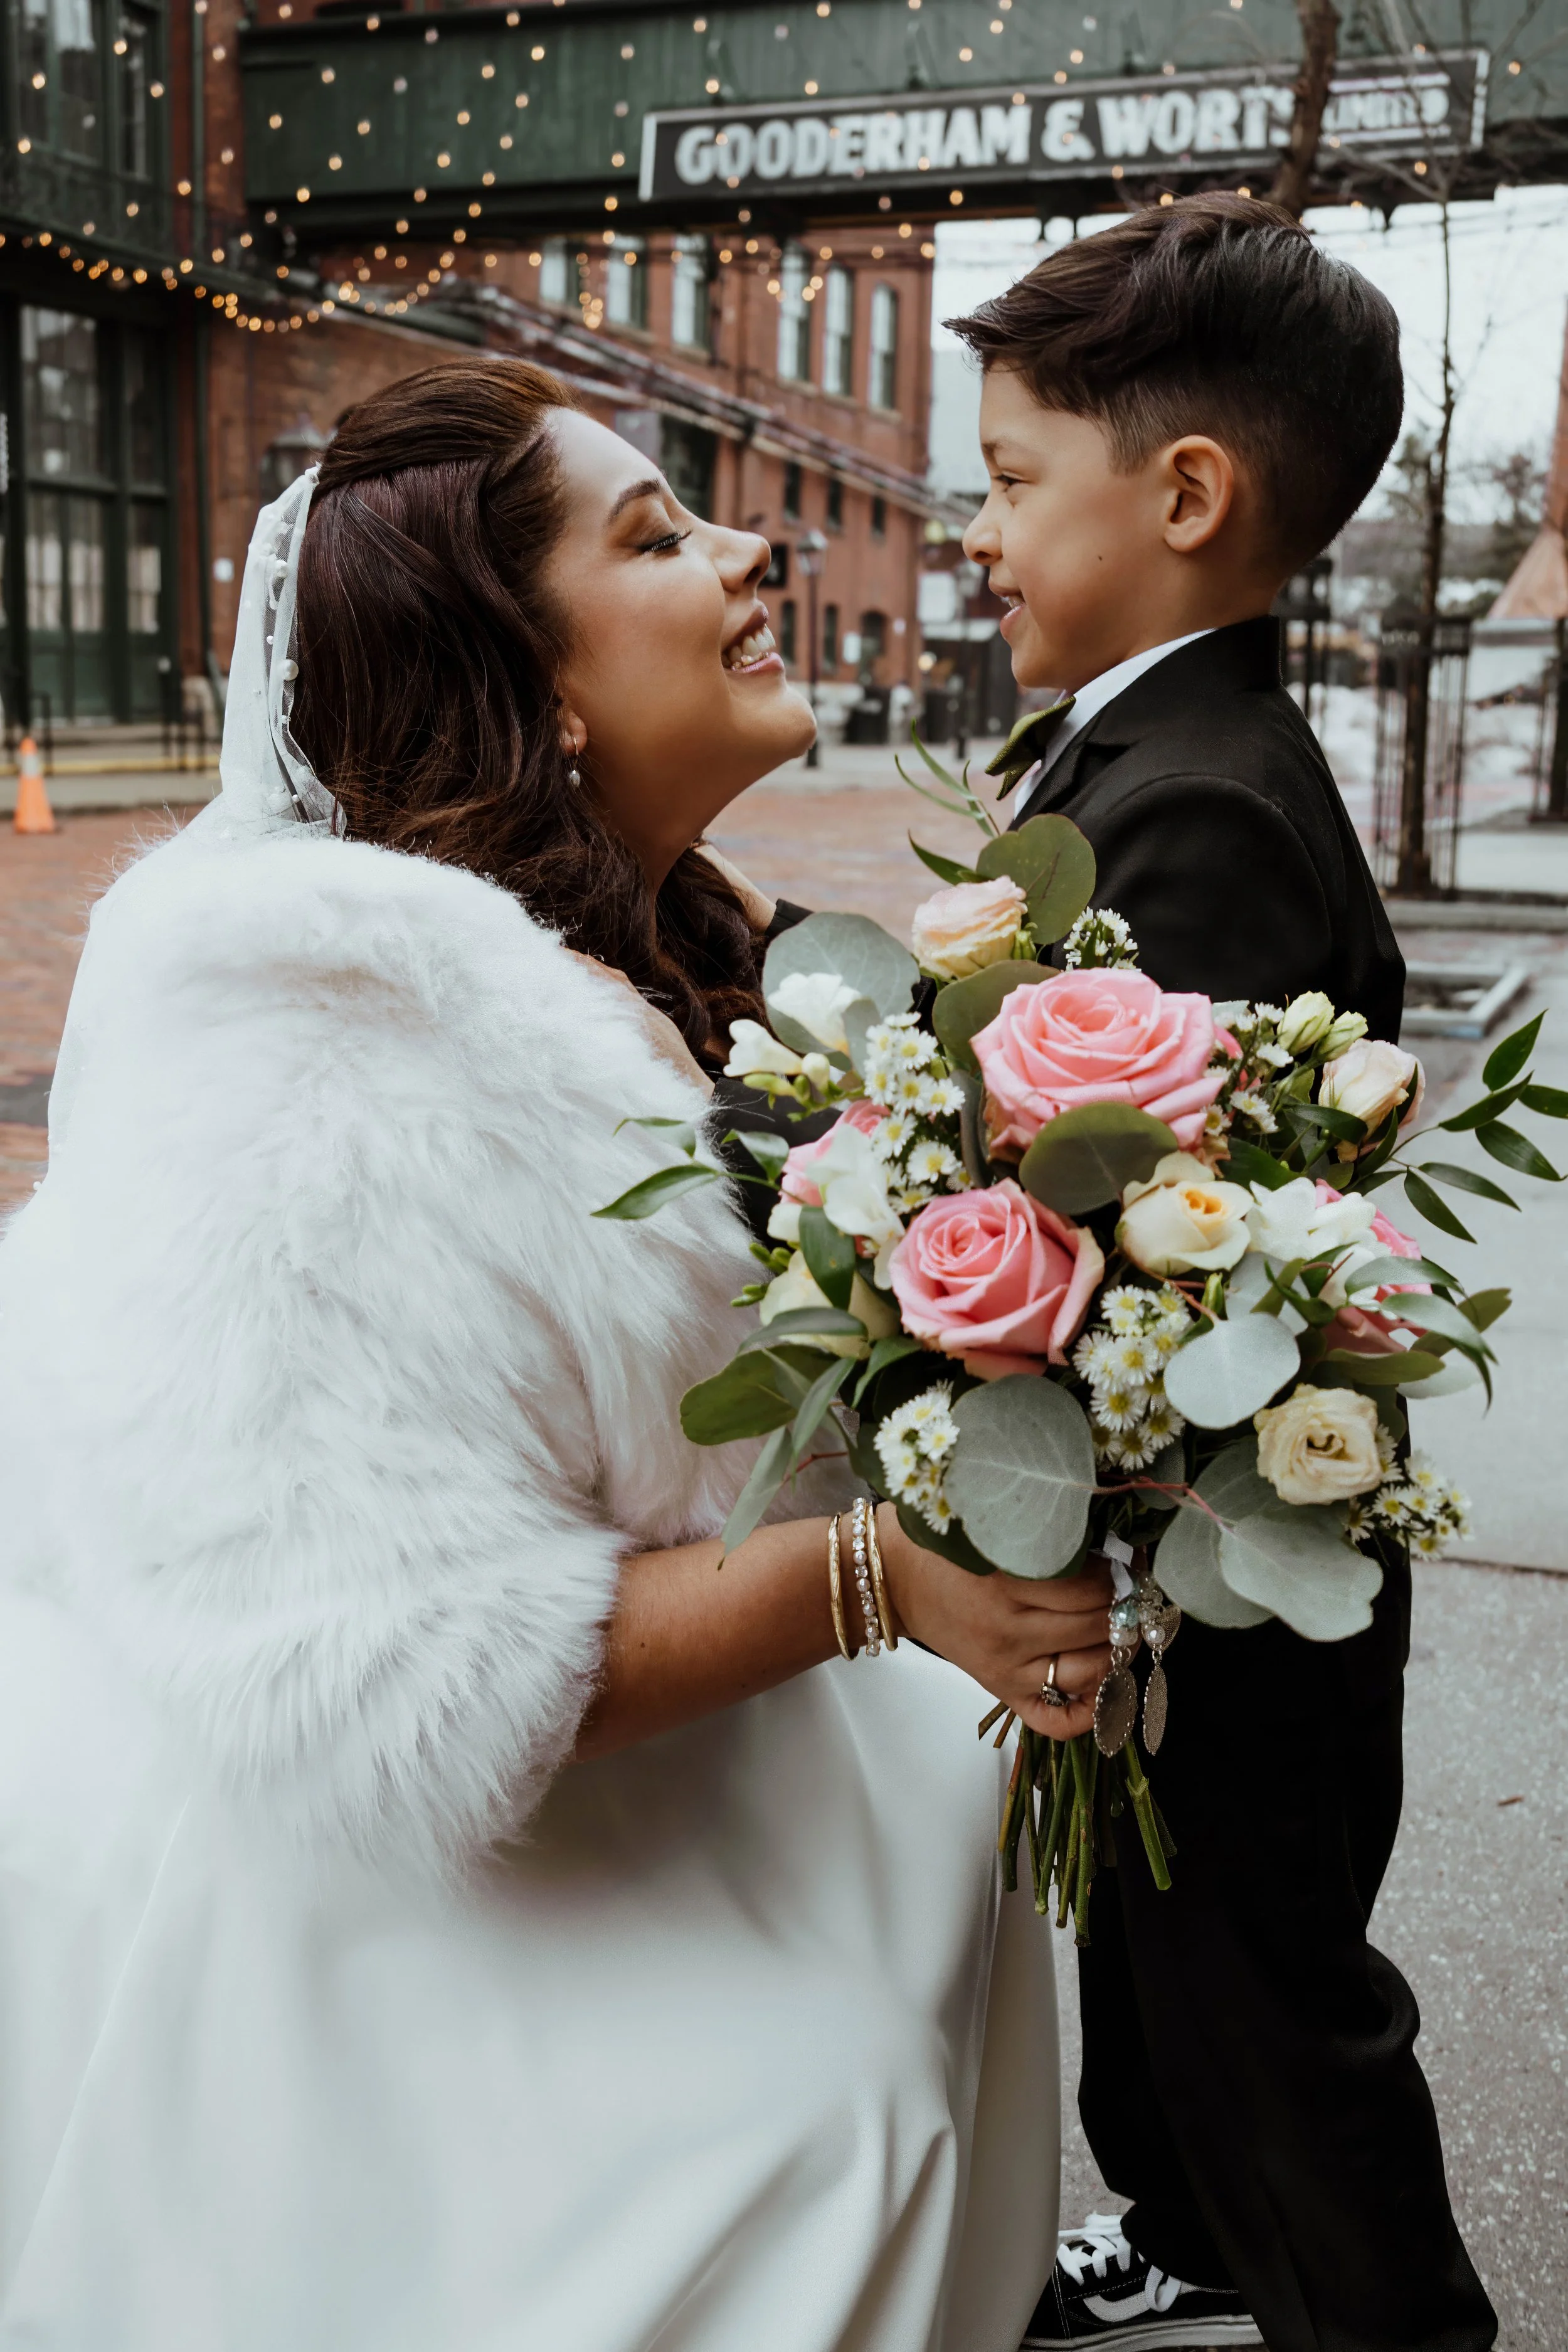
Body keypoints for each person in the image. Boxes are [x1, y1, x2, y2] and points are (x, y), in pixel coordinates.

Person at [0, 359, 1104, 2351]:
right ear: (537, 679)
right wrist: (867, 1576)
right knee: (811, 2127)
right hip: (398, 1893)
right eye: (658, 535)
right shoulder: (329, 1056)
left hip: (734, 1779)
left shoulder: (700, 944)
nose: (752, 551)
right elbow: (371, 1671)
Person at [951, 196, 1496, 2352]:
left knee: (1265, 1992)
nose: (973, 530)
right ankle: (1179, 2223)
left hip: (1236, 1559)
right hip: (1190, 1540)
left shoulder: (1196, 809)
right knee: (1157, 1956)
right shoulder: (1151, 743)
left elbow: (1134, 1229)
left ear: (1184, 496)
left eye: (1005, 481)